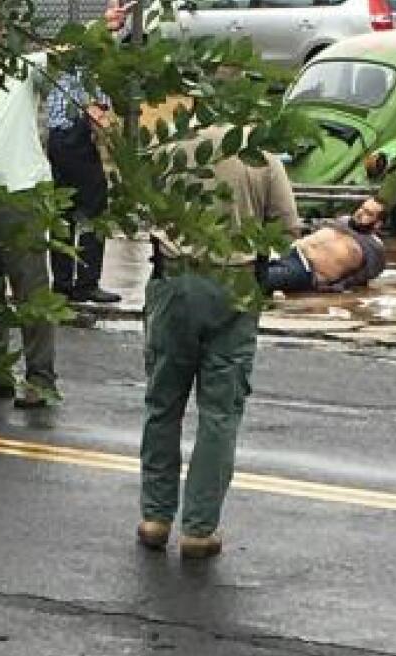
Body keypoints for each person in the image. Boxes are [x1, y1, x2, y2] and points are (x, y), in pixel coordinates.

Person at [0, 7, 131, 407]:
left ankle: (40, 378)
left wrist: (101, 26)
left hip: (19, 195)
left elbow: (68, 51)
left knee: (30, 293)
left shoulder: (20, 72)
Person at [137, 126, 300, 559]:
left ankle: (155, 517)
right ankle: (199, 527)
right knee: (219, 412)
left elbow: (143, 215)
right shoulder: (262, 156)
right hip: (236, 285)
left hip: (175, 280)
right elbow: (286, 230)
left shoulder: (169, 148)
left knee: (162, 403)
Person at [45, 70, 122, 304]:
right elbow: (97, 114)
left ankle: (62, 283)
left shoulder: (56, 72)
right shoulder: (89, 73)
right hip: (78, 141)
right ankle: (87, 283)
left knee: (63, 212)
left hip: (56, 142)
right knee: (94, 212)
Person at [264, 197, 386, 293]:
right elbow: (314, 226)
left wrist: (338, 286)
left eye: (368, 213)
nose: (360, 213)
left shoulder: (374, 248)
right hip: (290, 249)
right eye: (362, 208)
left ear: (377, 224)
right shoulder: (343, 221)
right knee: (249, 263)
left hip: (305, 270)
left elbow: (363, 276)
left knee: (258, 280)